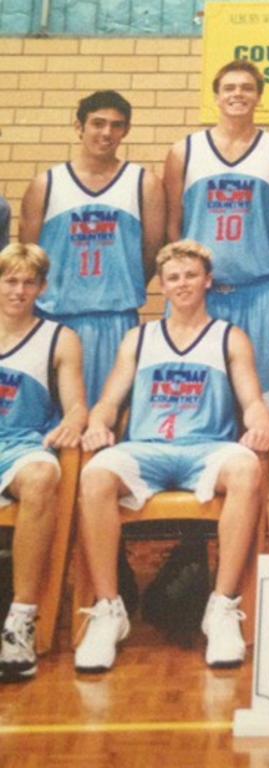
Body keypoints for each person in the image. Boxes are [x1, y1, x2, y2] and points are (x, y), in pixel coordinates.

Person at [74, 240, 269, 673]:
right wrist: (98, 421)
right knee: (95, 476)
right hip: (147, 449)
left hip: (207, 449)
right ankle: (109, 610)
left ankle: (221, 607)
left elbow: (252, 400)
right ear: (161, 287)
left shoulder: (229, 336)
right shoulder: (140, 337)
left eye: (190, 275)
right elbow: (110, 401)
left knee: (244, 468)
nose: (182, 284)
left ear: (207, 281)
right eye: (173, 278)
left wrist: (259, 421)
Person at [20, 90, 165, 407]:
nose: (106, 133)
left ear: (126, 130)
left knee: (109, 418)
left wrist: (116, 286)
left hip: (116, 319)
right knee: (53, 421)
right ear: (79, 127)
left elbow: (152, 255)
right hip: (56, 318)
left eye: (116, 125)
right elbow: (29, 260)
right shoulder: (47, 184)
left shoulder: (143, 183)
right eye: (98, 123)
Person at [164, 60, 269, 407]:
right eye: (230, 88)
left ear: (258, 97)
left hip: (257, 292)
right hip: (198, 296)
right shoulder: (185, 151)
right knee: (196, 399)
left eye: (247, 88)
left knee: (266, 400)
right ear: (217, 98)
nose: (238, 94)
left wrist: (254, 261)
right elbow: (174, 227)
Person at [0, 243, 86, 679]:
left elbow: (77, 407)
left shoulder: (59, 337)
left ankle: (20, 620)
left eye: (28, 282)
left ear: (42, 287)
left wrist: (72, 423)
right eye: (10, 280)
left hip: (19, 446)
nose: (18, 290)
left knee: (41, 475)